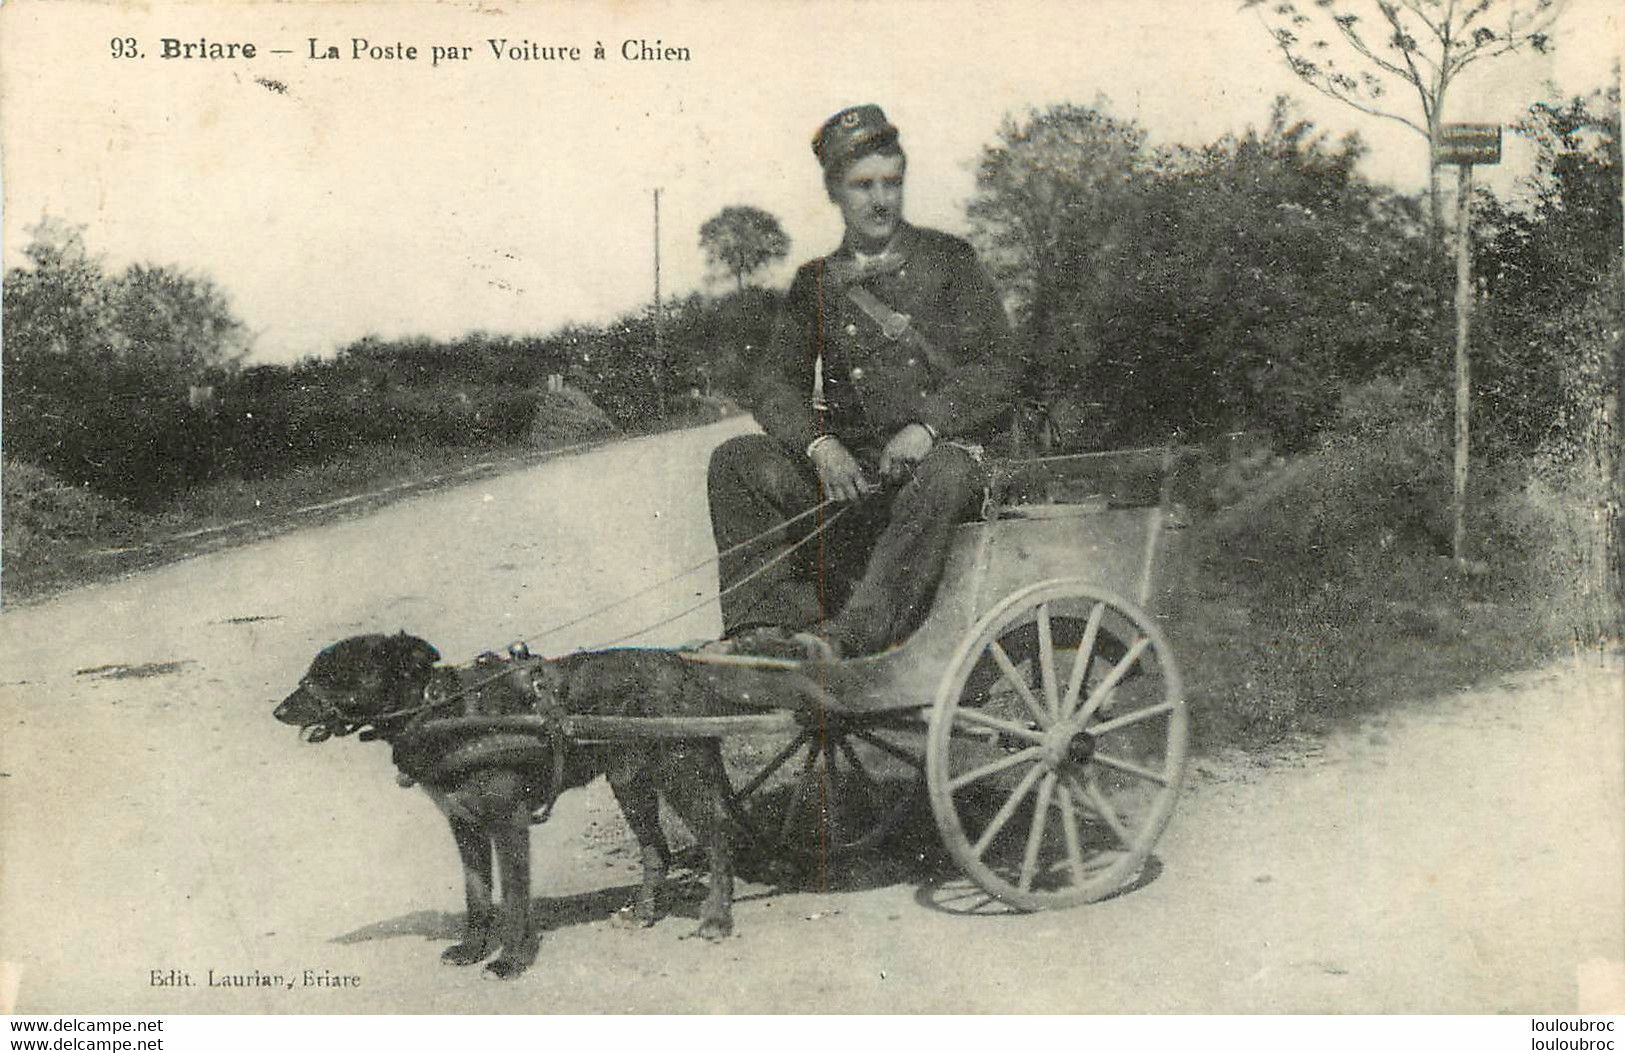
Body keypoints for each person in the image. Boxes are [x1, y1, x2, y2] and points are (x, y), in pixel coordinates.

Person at [707, 104, 1019, 659]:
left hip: (949, 469)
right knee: (738, 461)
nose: (880, 200)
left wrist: (928, 426)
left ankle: (855, 636)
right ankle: (767, 628)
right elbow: (776, 384)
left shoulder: (950, 262)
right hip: (864, 485)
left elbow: (999, 367)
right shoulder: (816, 284)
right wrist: (820, 445)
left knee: (944, 471)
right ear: (834, 192)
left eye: (891, 183)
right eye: (862, 186)